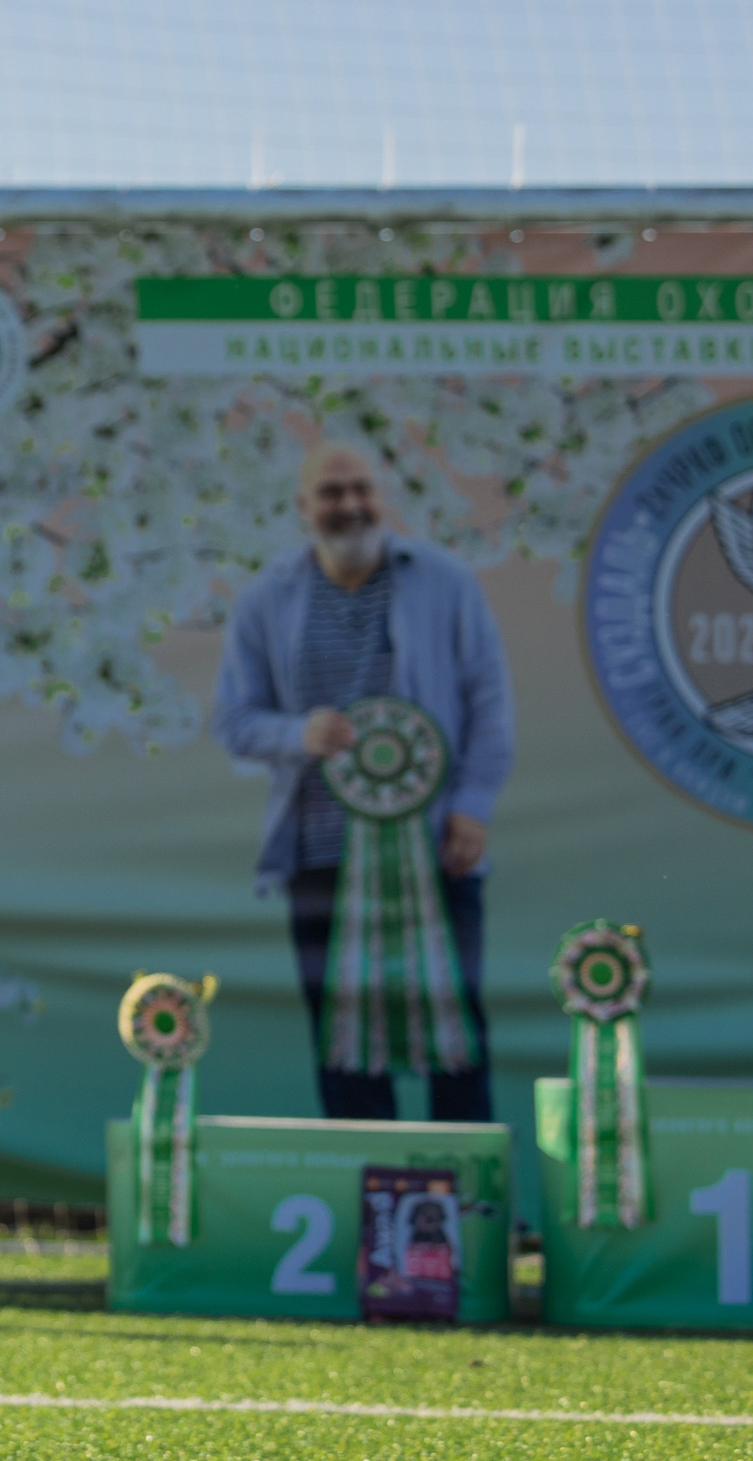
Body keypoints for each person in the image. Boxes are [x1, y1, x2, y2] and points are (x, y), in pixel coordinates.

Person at [213, 443, 515, 1122]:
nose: (349, 505)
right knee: (342, 1046)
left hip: (441, 852)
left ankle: (469, 1208)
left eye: (362, 489)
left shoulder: (447, 582)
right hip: (319, 861)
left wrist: (472, 806)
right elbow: (233, 720)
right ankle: (370, 1207)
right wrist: (297, 735)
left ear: (383, 496)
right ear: (302, 508)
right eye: (330, 492)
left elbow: (489, 702)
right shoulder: (266, 599)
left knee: (457, 1036)